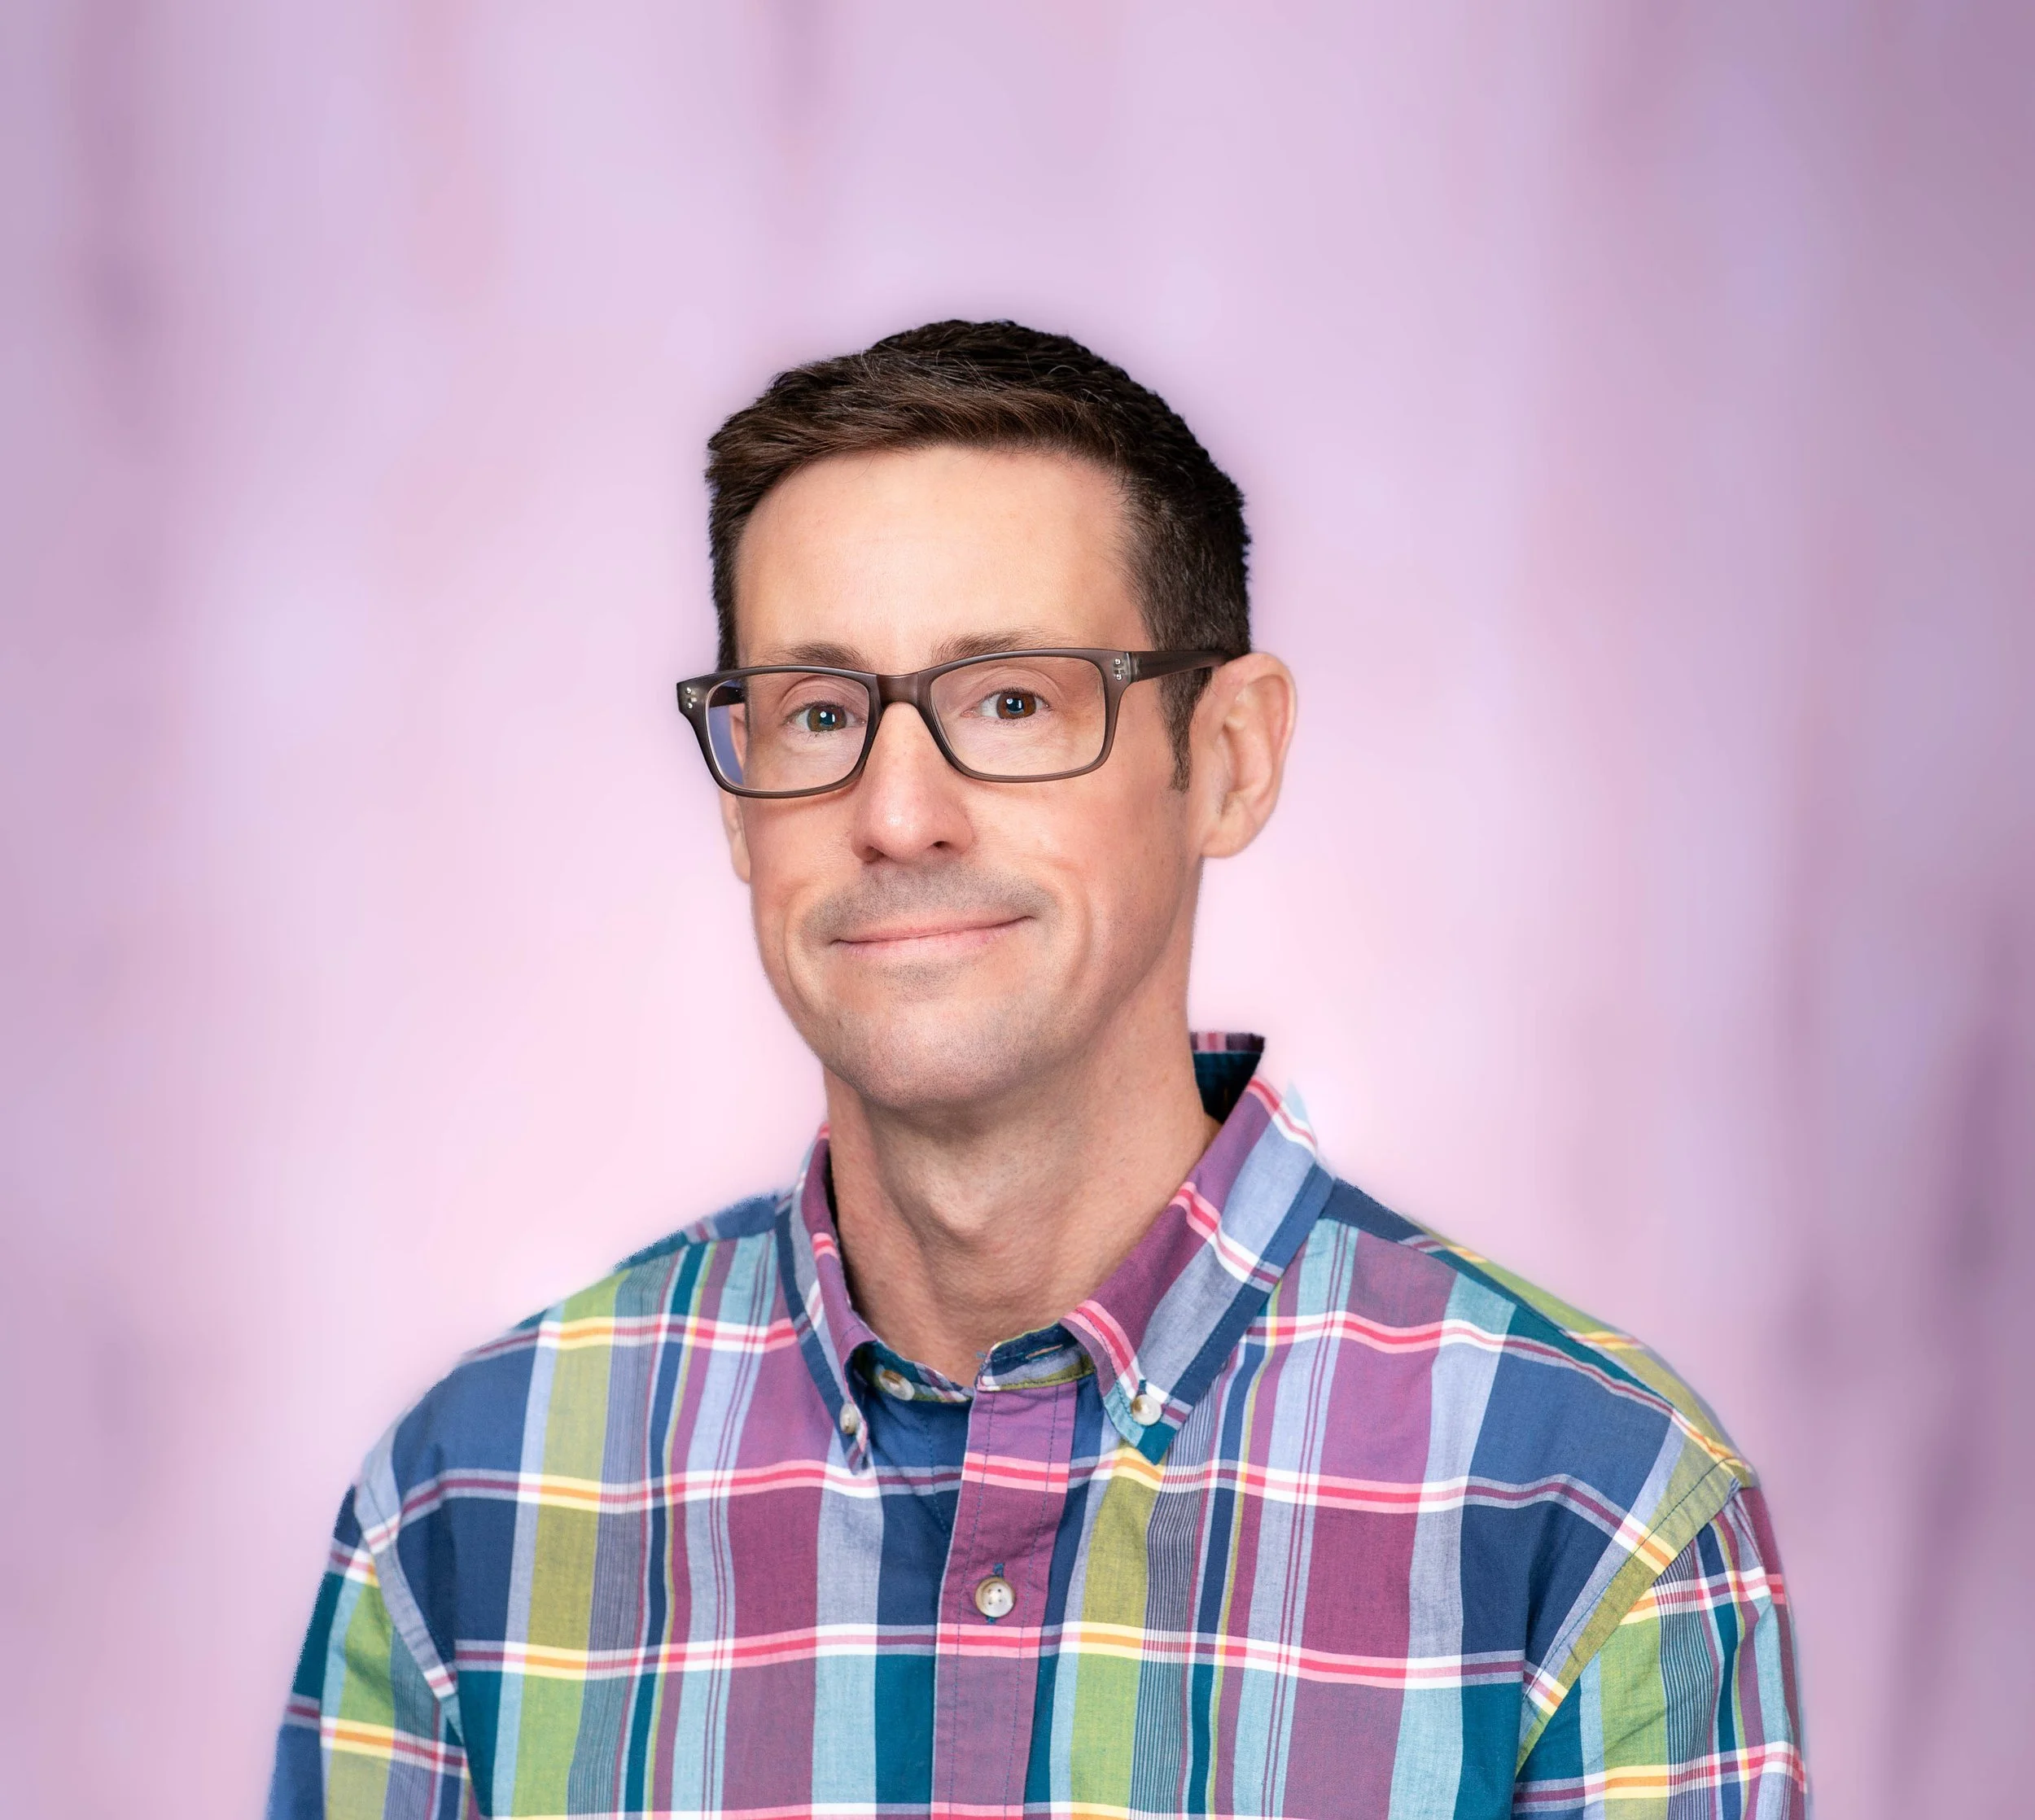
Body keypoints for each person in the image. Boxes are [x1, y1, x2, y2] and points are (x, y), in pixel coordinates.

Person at [268, 321, 1806, 1819]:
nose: (898, 815)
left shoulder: (1590, 1515)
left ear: (1228, 759)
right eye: (816, 716)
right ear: (739, 808)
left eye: (1012, 701)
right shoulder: (473, 1507)